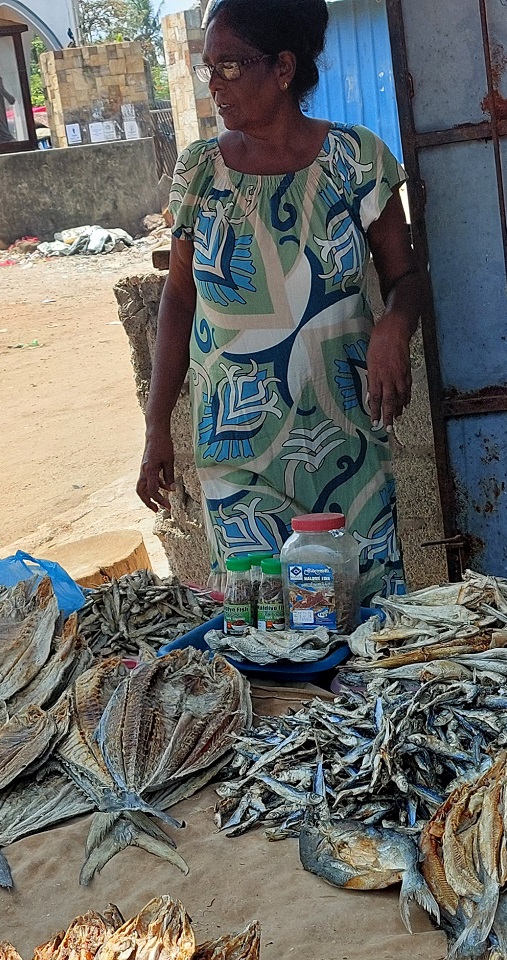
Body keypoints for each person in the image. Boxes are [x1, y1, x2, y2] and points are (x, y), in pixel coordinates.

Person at [137, 0, 427, 599]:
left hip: (343, 443)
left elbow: (407, 275)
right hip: (235, 454)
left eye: (231, 67)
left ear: (283, 67)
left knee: (362, 633)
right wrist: (157, 426)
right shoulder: (199, 173)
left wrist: (395, 325)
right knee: (265, 636)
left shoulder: (357, 161)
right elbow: (178, 304)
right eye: (208, 68)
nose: (215, 84)